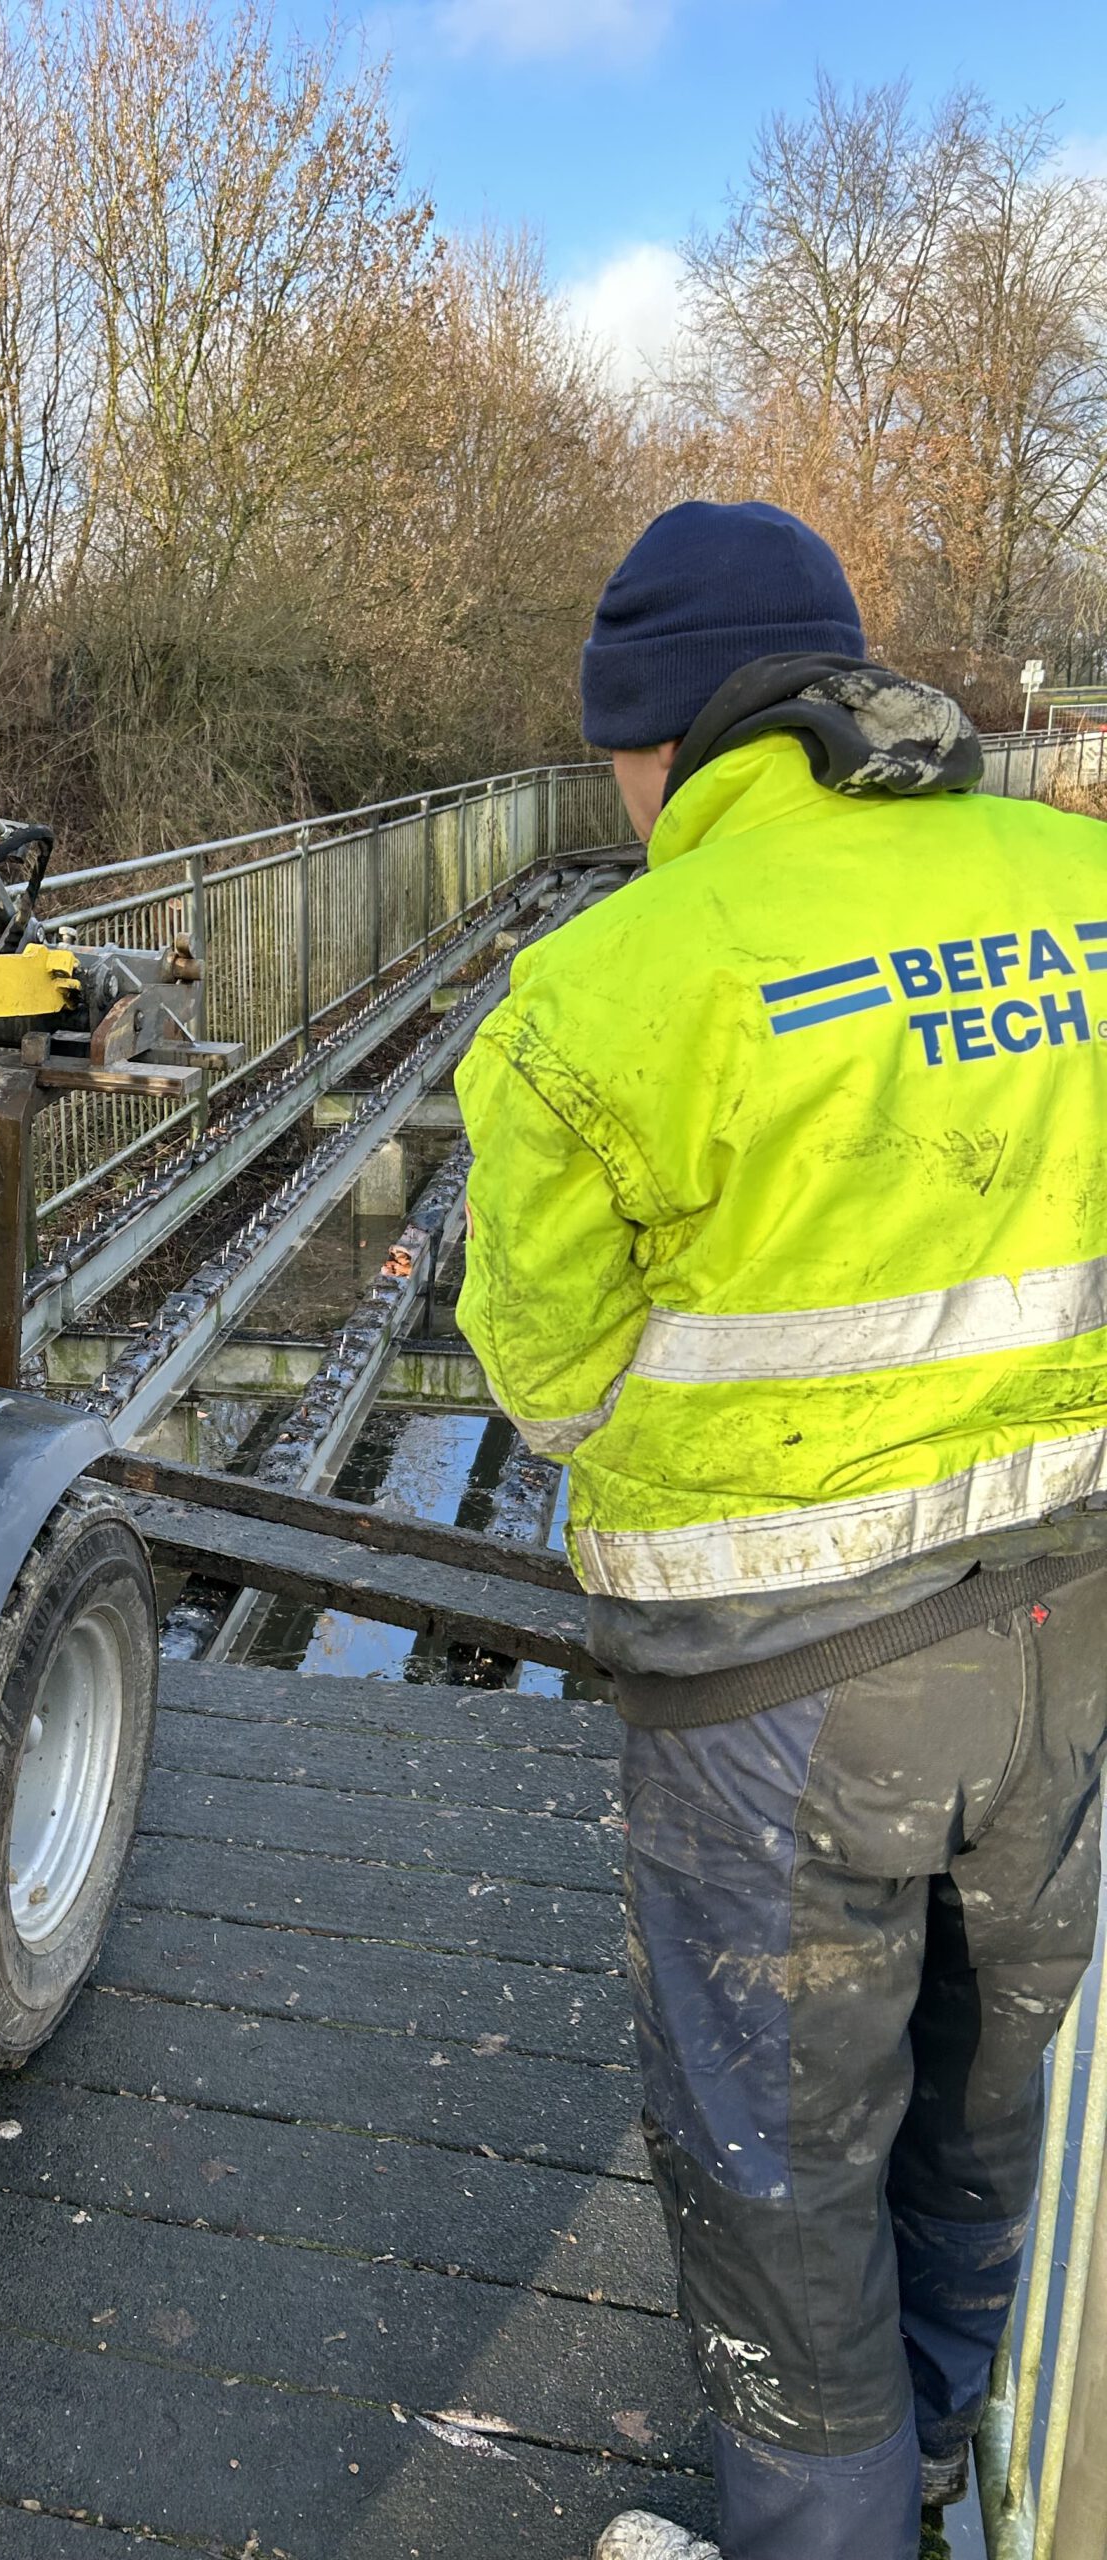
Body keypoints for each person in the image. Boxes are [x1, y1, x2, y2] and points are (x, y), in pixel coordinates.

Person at [453, 499, 1107, 2560]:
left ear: (656, 743)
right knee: (985, 2091)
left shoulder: (601, 992)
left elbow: (550, 1381)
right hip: (1070, 1633)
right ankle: (941, 2468)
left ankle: (821, 2534)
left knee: (780, 2164)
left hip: (782, 1698)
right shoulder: (1080, 881)